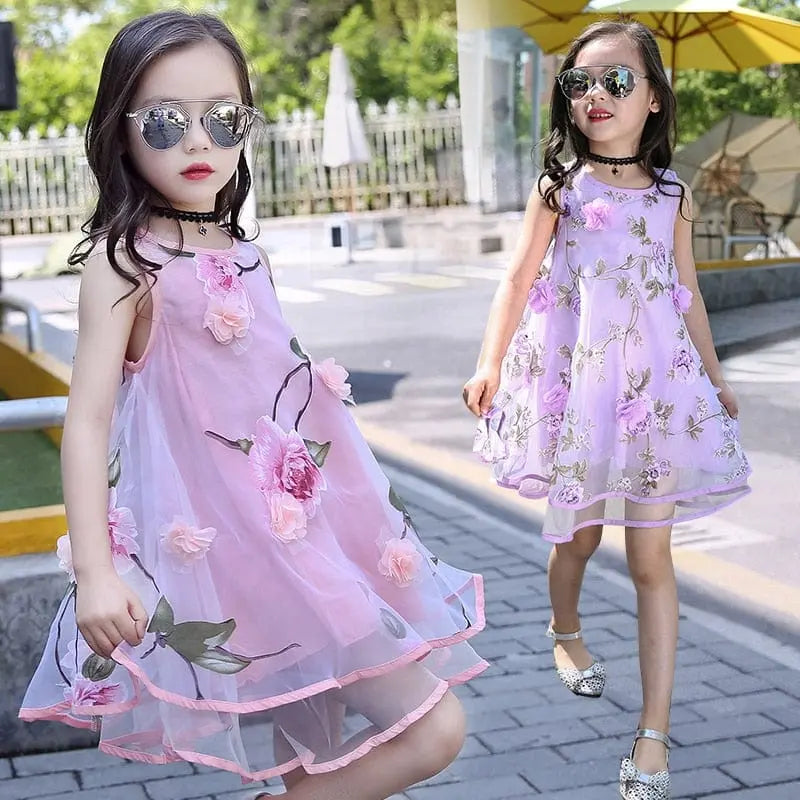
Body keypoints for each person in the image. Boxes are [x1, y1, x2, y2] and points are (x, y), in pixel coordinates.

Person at [19, 12, 487, 799]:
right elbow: (88, 420)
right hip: (233, 562)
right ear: (121, 133)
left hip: (308, 549)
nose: (198, 141)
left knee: (321, 761)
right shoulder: (126, 262)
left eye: (224, 118)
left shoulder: (244, 252)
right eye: (166, 122)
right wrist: (96, 572)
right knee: (435, 731)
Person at [464, 20, 750, 800]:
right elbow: (517, 281)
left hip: (656, 398)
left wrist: (716, 379)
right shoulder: (560, 189)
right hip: (581, 393)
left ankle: (652, 736)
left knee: (652, 561)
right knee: (581, 540)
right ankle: (565, 627)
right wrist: (490, 361)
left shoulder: (674, 195)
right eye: (580, 83)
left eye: (616, 81)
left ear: (653, 100)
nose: (595, 95)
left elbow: (685, 296)